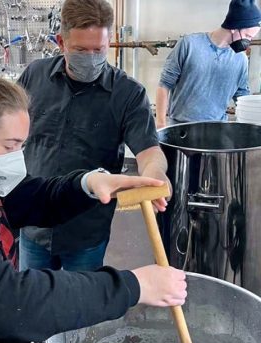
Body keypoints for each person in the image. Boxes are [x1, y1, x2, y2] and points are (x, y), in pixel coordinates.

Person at [0, 66, 187, 343]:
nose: (17, 158)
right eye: (10, 146)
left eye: (22, 146)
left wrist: (89, 183)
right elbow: (8, 302)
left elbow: (35, 197)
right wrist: (132, 286)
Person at [18, 0, 170, 272]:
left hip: (85, 228)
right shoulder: (34, 76)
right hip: (33, 224)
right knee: (31, 305)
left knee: (81, 308)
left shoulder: (128, 94)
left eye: (98, 49)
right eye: (80, 50)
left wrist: (154, 176)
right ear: (61, 41)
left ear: (109, 42)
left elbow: (149, 152)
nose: (90, 57)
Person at [156, 0, 261, 129]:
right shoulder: (189, 45)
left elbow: (242, 96)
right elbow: (164, 84)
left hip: (218, 130)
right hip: (181, 129)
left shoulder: (241, 59)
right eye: (247, 35)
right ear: (234, 27)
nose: (248, 41)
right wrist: (161, 124)